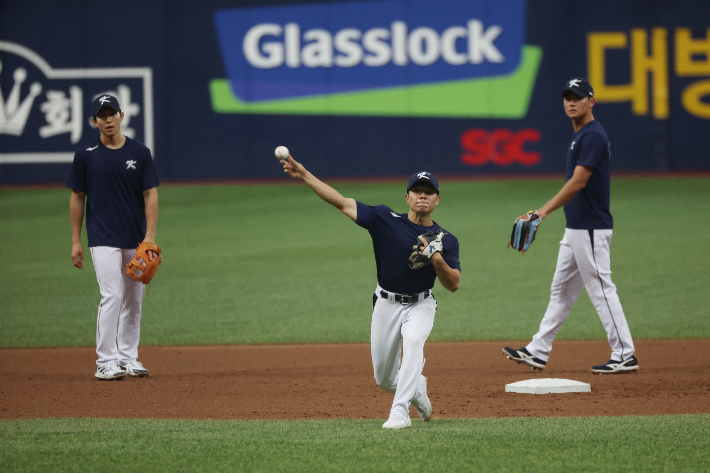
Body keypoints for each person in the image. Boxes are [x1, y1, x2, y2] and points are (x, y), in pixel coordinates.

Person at [281, 156, 461, 428]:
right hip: (386, 304)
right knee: (384, 378)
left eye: (429, 193)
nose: (422, 196)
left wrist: (437, 259)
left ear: (438, 200)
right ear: (407, 197)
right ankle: (419, 395)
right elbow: (341, 202)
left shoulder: (447, 239)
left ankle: (399, 413)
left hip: (421, 304)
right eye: (417, 191)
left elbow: (454, 284)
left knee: (413, 340)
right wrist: (305, 175)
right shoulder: (384, 219)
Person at [503, 78, 637, 374]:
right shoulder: (581, 135)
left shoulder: (592, 136)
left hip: (590, 228)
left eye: (578, 97)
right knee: (561, 290)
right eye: (567, 97)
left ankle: (625, 353)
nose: (571, 102)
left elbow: (578, 181)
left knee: (601, 288)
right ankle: (538, 350)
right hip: (577, 228)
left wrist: (541, 213)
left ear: (591, 101)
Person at [67, 94, 160, 380]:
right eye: (102, 115)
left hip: (135, 238)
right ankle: (105, 361)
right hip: (102, 237)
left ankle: (128, 357)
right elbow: (77, 198)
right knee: (113, 295)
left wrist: (149, 238)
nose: (108, 120)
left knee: (134, 299)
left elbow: (151, 196)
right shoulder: (86, 155)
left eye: (112, 114)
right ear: (94, 121)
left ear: (121, 115)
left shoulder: (140, 152)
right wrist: (75, 240)